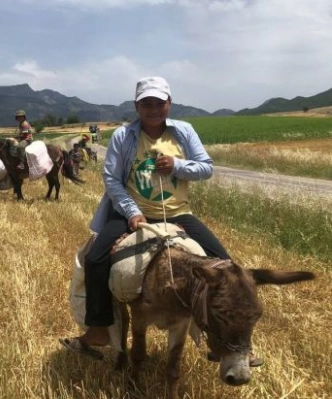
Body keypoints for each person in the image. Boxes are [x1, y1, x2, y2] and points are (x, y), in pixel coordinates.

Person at [59, 76, 263, 366]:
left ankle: (226, 341)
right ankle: (98, 331)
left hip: (178, 212)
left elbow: (206, 168)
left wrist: (177, 165)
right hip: (132, 212)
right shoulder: (123, 136)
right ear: (137, 106)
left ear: (169, 103)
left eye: (159, 103)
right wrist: (131, 211)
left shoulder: (184, 132)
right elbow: (112, 181)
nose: (153, 109)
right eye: (146, 104)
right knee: (95, 259)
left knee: (227, 268)